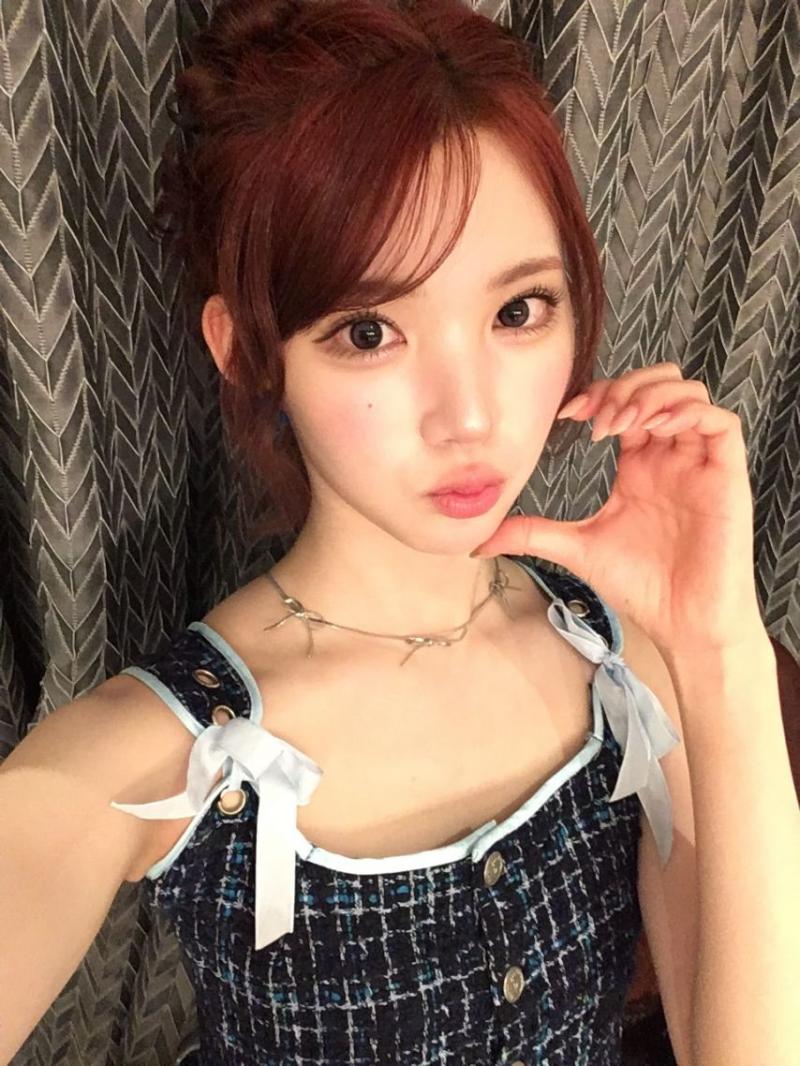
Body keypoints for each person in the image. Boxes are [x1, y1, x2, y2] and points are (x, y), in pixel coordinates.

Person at [1, 1, 698, 1063]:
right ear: (249, 353)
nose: (469, 417)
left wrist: (721, 646)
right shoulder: (155, 754)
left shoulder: (620, 649)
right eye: (369, 331)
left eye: (516, 311)